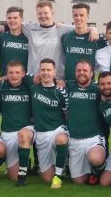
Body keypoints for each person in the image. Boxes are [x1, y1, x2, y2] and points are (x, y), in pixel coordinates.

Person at [66, 60, 106, 185]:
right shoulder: (69, 86)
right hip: (74, 139)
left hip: (93, 138)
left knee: (95, 159)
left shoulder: (98, 89)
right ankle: (90, 169)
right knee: (78, 181)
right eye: (78, 70)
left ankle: (97, 171)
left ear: (91, 73)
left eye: (85, 70)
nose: (81, 73)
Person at [0, 60, 34, 185]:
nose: (14, 76)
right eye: (11, 73)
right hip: (8, 132)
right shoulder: (1, 87)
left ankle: (23, 174)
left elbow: (41, 77)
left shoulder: (29, 86)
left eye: (17, 72)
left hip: (27, 130)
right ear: (7, 74)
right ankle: (24, 161)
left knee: (23, 134)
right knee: (13, 176)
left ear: (23, 74)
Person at [31, 58, 69, 188]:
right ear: (39, 72)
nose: (45, 73)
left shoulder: (61, 91)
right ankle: (61, 164)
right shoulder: (33, 87)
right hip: (41, 134)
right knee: (46, 178)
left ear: (54, 72)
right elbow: (18, 73)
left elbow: (67, 113)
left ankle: (58, 176)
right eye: (43, 70)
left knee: (62, 139)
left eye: (48, 70)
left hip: (57, 129)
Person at [61, 3, 107, 80]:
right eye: (75, 15)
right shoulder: (65, 37)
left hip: (88, 86)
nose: (78, 18)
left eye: (82, 15)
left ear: (88, 17)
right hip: (69, 84)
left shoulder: (97, 39)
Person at [0, 7, 29, 77]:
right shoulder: (1, 38)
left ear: (22, 19)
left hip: (24, 82)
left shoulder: (28, 39)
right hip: (5, 81)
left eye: (15, 18)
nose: (12, 20)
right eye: (9, 18)